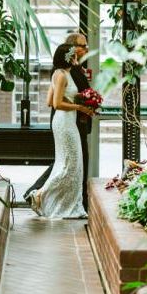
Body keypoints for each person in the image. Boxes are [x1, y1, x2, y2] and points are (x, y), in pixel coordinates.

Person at [24, 32, 92, 210]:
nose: (86, 49)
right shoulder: (66, 73)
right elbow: (55, 102)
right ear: (72, 49)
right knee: (73, 164)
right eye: (83, 46)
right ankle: (41, 193)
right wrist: (82, 106)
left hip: (66, 120)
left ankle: (61, 199)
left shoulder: (64, 72)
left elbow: (50, 100)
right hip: (70, 122)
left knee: (67, 163)